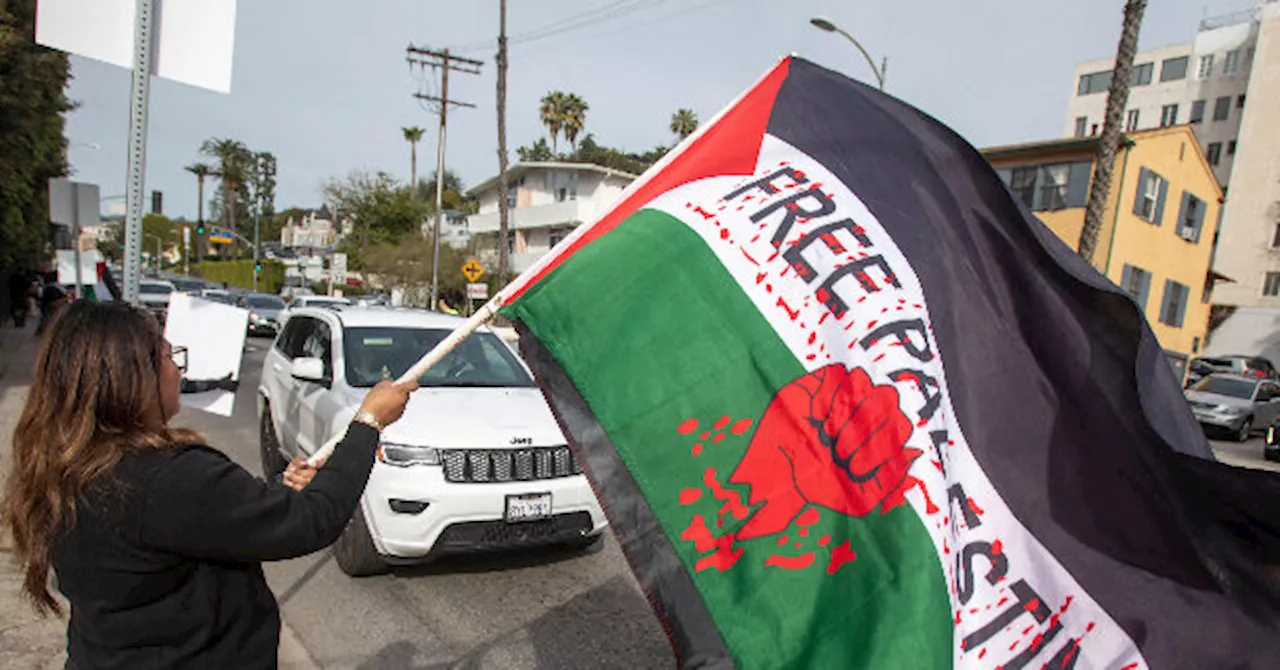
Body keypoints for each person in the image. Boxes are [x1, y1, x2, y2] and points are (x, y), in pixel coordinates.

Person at [0, 301, 415, 669]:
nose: (178, 371)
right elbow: (310, 523)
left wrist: (276, 492)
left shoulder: (68, 463)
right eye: (169, 357)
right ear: (132, 376)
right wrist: (368, 423)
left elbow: (195, 524)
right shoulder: (164, 477)